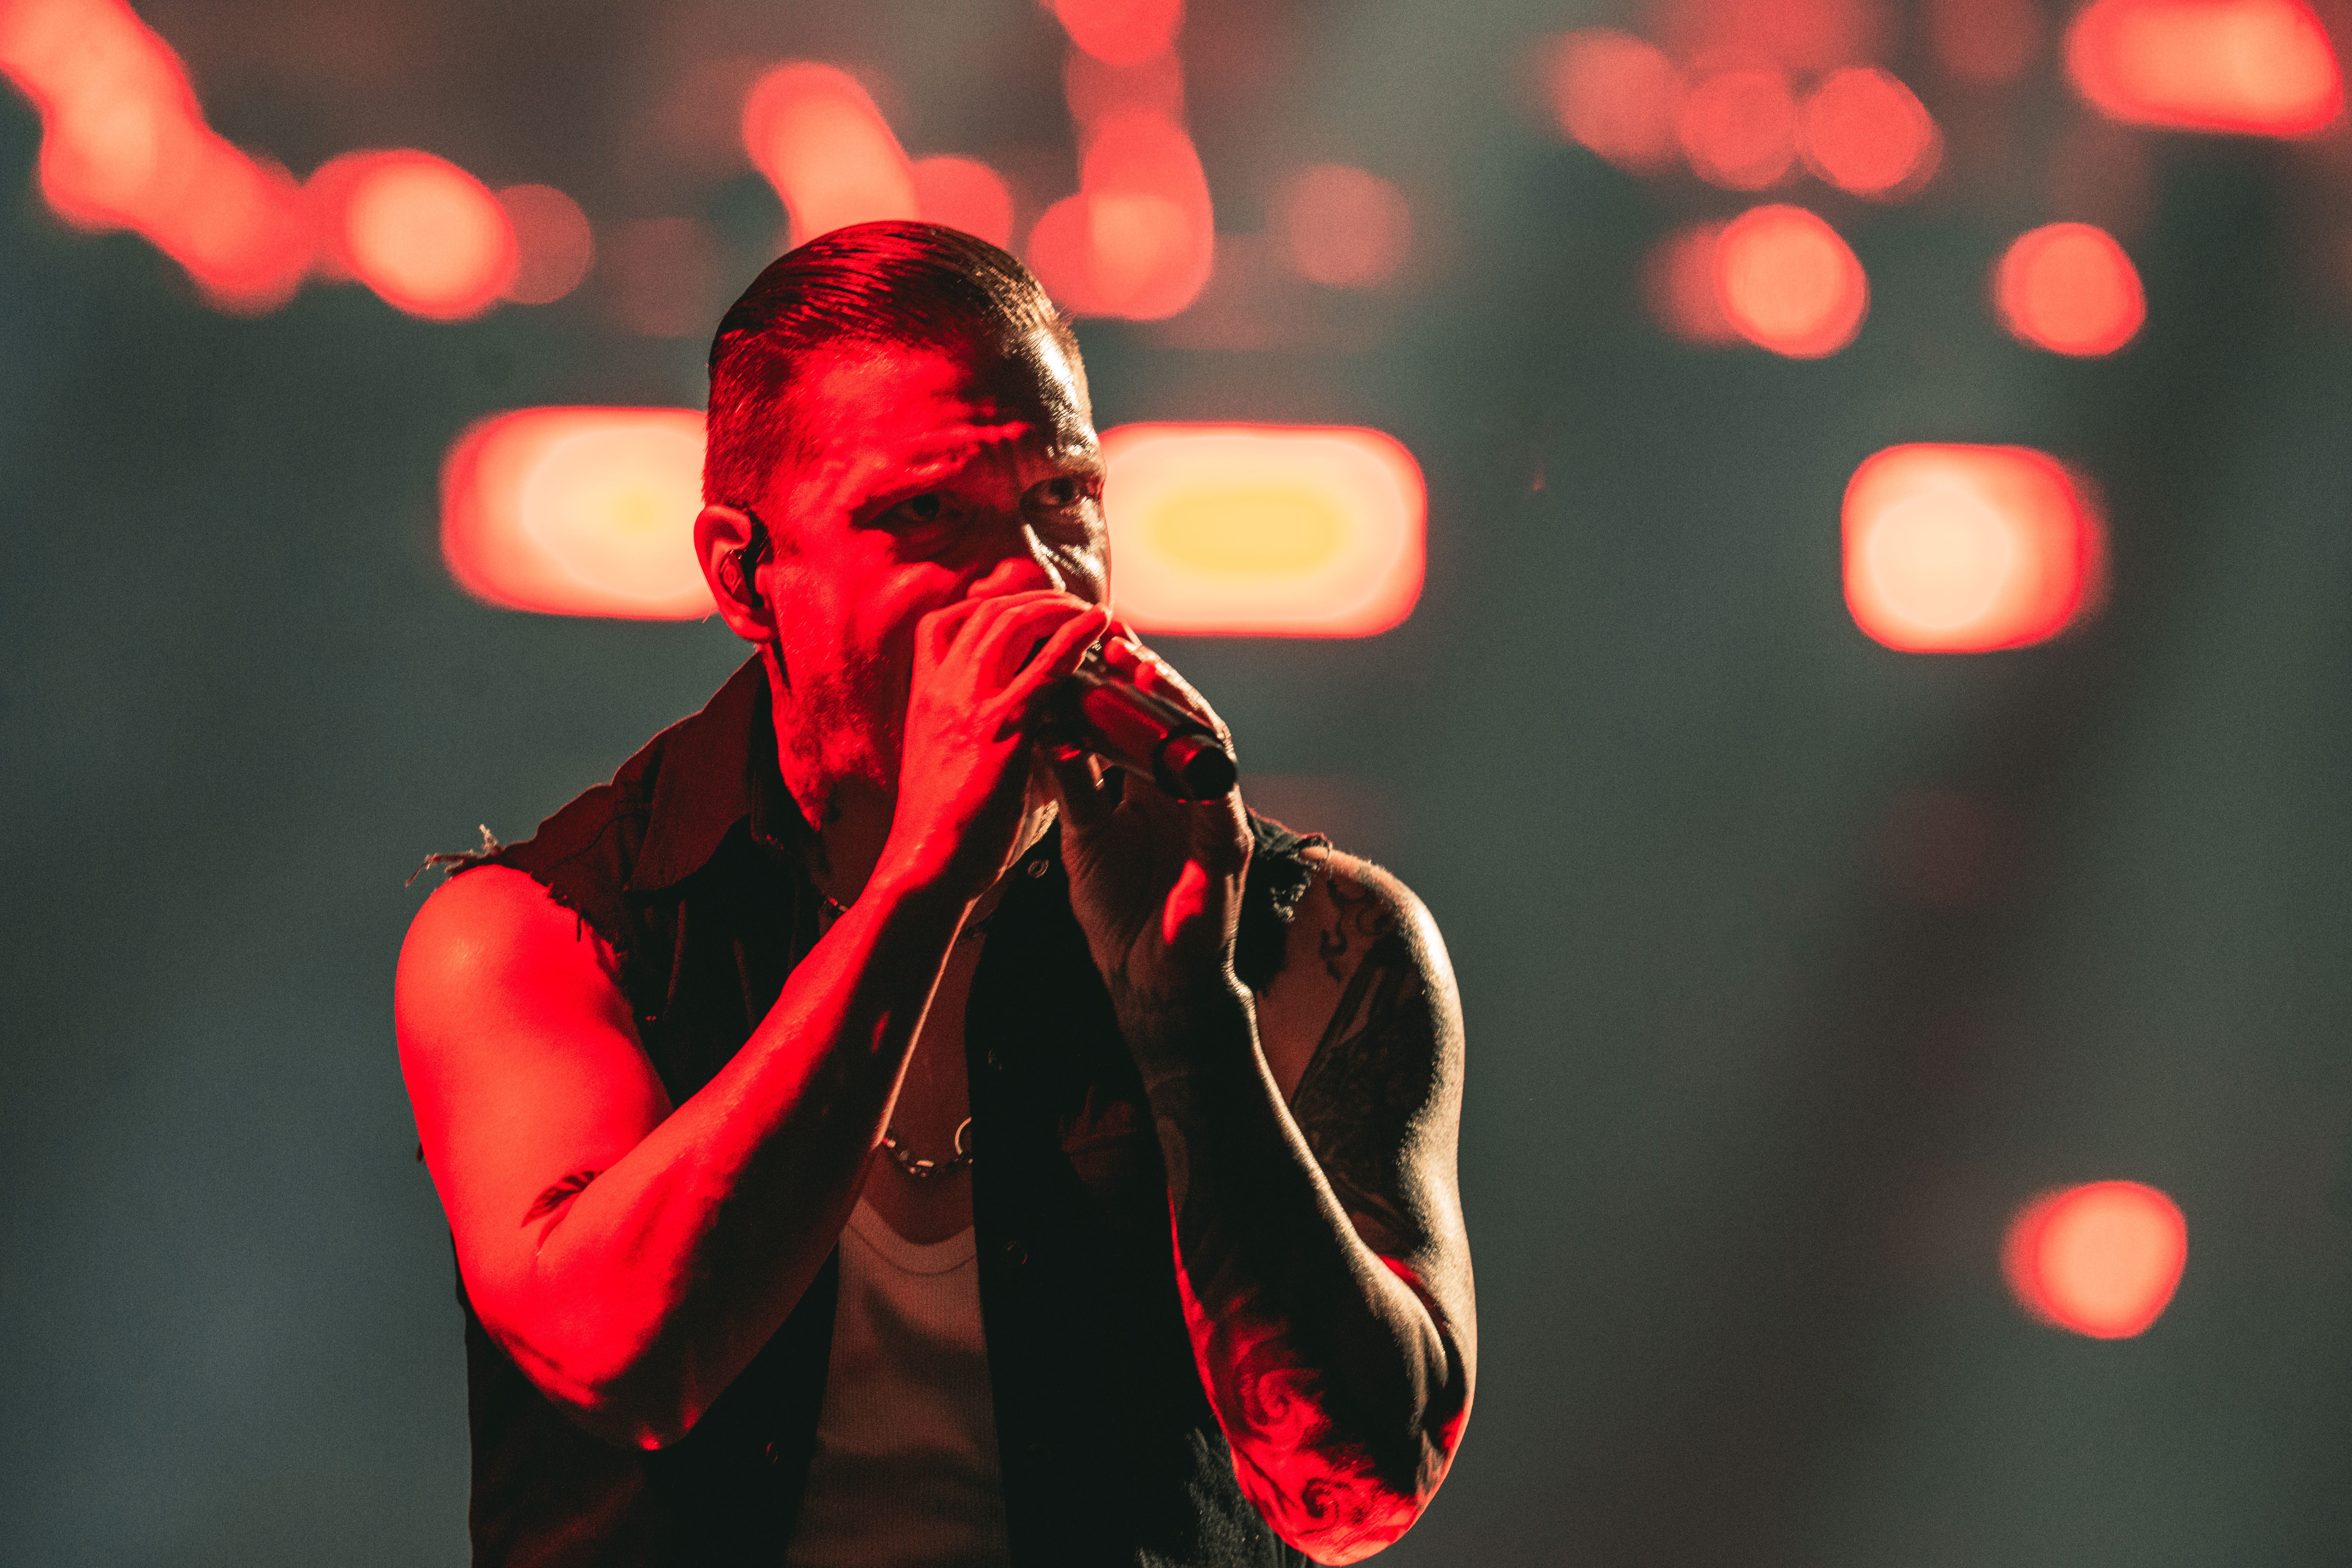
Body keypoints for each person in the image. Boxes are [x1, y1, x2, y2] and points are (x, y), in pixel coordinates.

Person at [395, 221, 1473, 1567]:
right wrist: (922, 884)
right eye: (928, 518)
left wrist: (1193, 1020)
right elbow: (626, 1362)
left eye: (1064, 499)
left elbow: (1360, 1491)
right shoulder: (542, 935)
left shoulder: (1317, 938)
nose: (1030, 581)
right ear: (744, 573)